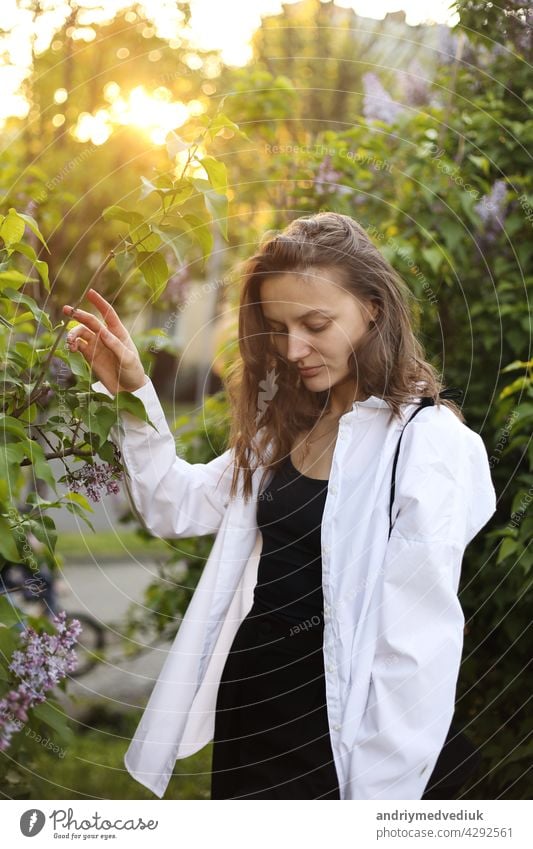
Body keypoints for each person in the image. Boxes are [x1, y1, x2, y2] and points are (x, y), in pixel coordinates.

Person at [63, 211, 497, 800]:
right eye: (279, 327)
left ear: (373, 307)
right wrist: (134, 391)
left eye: (316, 324)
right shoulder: (287, 428)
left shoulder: (429, 444)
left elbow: (415, 653)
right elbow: (175, 505)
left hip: (340, 725)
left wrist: (376, 810)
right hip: (256, 704)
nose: (294, 349)